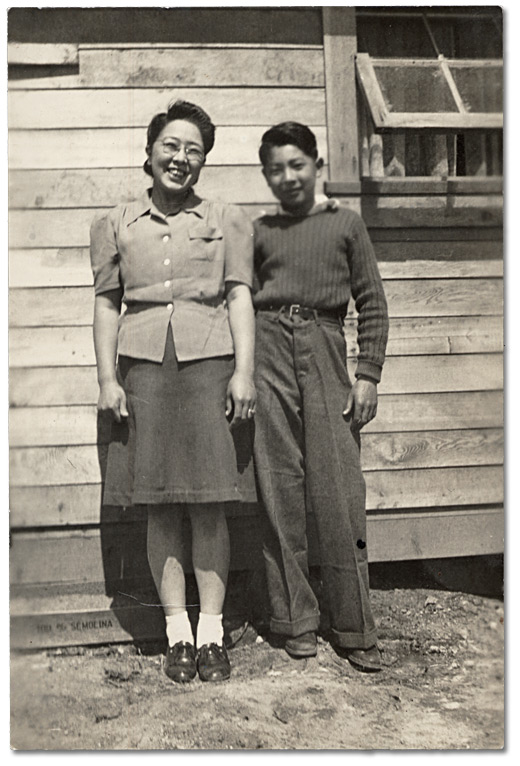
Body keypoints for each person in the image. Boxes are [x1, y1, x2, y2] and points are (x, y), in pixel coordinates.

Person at [90, 100, 256, 684]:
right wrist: (109, 378)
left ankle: (212, 635)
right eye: (172, 145)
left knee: (210, 503)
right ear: (151, 148)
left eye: (194, 150)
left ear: (203, 162)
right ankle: (176, 634)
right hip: (144, 373)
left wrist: (244, 371)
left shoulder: (227, 218)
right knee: (158, 503)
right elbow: (108, 301)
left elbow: (239, 295)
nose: (181, 158)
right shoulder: (115, 222)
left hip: (210, 367)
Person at [252, 122, 389, 672]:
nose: (288, 177)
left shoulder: (346, 224)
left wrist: (369, 373)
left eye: (297, 164)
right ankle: (295, 621)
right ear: (266, 175)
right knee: (279, 483)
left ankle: (355, 626)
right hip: (266, 351)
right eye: (276, 169)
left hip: (325, 344)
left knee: (338, 487)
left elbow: (372, 302)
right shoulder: (258, 231)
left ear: (316, 164)